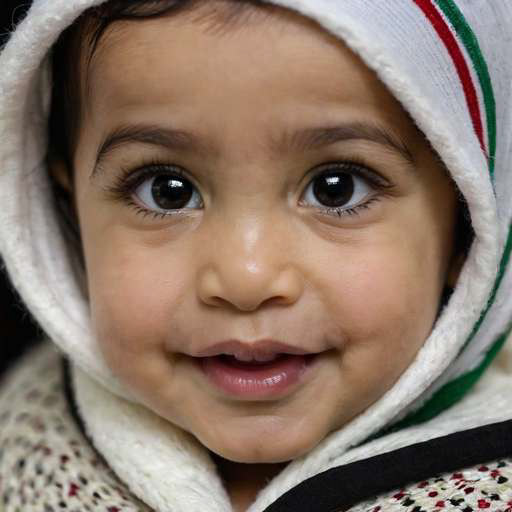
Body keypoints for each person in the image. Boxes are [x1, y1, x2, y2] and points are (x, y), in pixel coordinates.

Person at [0, 1, 511, 510]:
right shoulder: (24, 440)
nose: (247, 277)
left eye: (336, 188)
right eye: (168, 191)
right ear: (68, 211)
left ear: (468, 228)